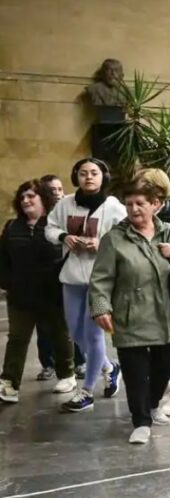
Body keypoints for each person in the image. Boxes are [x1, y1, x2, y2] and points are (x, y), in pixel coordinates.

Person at [90, 176, 170, 444]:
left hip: (166, 313)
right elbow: (100, 278)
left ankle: (151, 404)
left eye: (140, 203)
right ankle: (141, 420)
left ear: (155, 204)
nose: (134, 209)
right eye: (129, 204)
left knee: (166, 365)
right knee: (136, 372)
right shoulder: (114, 239)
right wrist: (101, 307)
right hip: (130, 313)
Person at [45, 158, 126, 412]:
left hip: (100, 279)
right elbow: (49, 227)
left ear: (103, 176)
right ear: (76, 176)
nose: (88, 177)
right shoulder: (66, 204)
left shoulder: (113, 207)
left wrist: (101, 243)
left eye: (94, 173)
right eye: (83, 173)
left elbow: (125, 236)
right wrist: (63, 236)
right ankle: (109, 367)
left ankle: (87, 391)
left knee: (93, 334)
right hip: (71, 277)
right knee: (76, 332)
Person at [0, 181, 78, 403]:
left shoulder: (56, 226)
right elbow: (3, 258)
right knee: (17, 338)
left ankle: (67, 374)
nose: (25, 201)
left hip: (52, 293)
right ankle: (9, 383)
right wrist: (6, 282)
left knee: (59, 333)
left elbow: (66, 256)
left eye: (31, 196)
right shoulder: (12, 227)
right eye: (22, 197)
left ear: (43, 199)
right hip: (20, 296)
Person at [132, 169, 170, 417]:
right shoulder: (136, 216)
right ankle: (164, 387)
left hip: (167, 293)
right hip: (144, 294)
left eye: (144, 187)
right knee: (158, 346)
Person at [38, 174, 87, 380]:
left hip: (67, 275)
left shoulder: (69, 212)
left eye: (59, 189)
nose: (57, 194)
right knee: (45, 325)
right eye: (52, 191)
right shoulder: (40, 219)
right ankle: (48, 364)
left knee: (72, 322)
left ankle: (80, 361)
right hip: (44, 280)